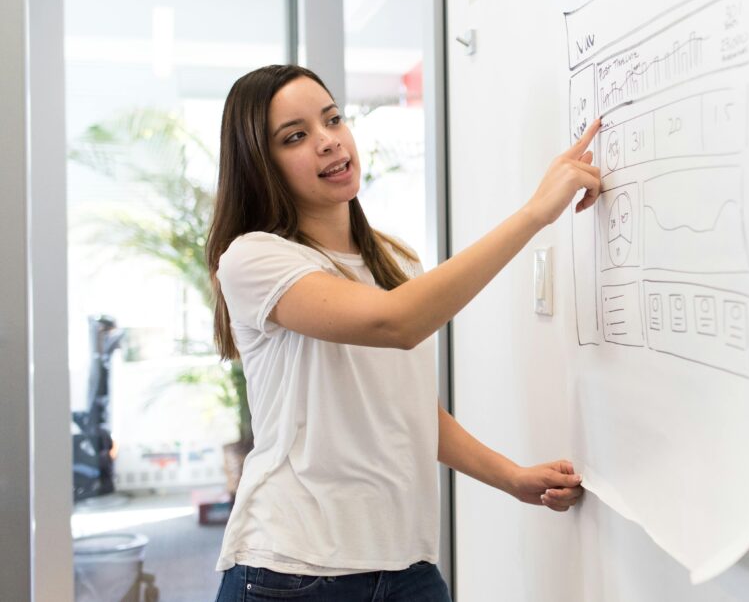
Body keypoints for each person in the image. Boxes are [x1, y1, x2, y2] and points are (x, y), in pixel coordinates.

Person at [206, 64, 601, 601]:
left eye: (332, 120)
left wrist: (512, 478)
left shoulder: (394, 261)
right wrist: (535, 214)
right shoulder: (254, 259)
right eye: (295, 136)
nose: (327, 142)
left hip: (406, 567)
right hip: (293, 570)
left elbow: (409, 410)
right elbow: (397, 323)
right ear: (261, 164)